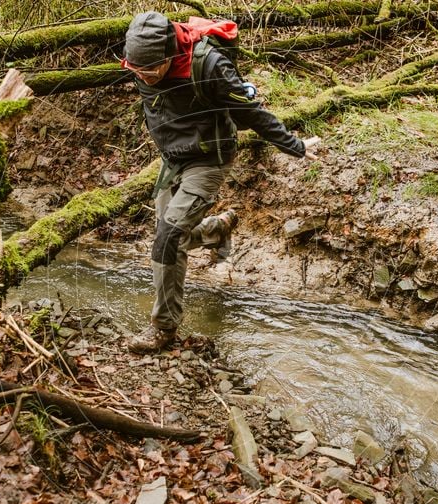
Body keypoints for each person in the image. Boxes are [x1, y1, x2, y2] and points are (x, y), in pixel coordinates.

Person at [122, 11, 317, 353]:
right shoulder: (141, 63)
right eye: (135, 70)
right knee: (167, 240)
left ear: (168, 56)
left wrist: (296, 146)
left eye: (150, 71)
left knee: (168, 236)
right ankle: (217, 230)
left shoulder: (210, 67)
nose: (143, 77)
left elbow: (251, 113)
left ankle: (163, 331)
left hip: (209, 159)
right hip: (172, 159)